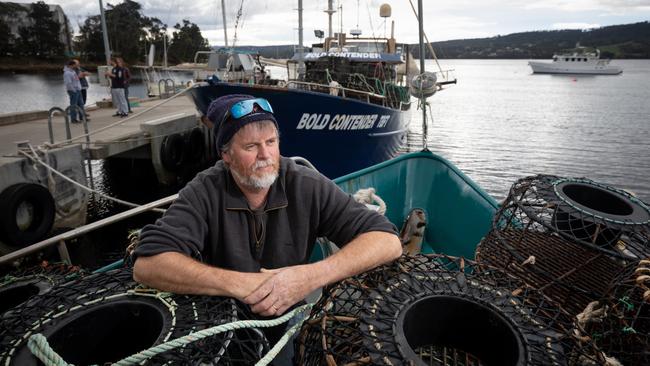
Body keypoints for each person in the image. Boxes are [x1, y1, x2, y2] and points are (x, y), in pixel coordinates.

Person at [132, 95, 402, 364]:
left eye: (271, 142)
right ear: (226, 155)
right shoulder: (204, 191)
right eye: (251, 146)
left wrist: (309, 277)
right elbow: (149, 264)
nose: (265, 155)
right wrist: (243, 284)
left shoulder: (306, 184)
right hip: (221, 318)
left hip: (289, 313)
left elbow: (387, 240)